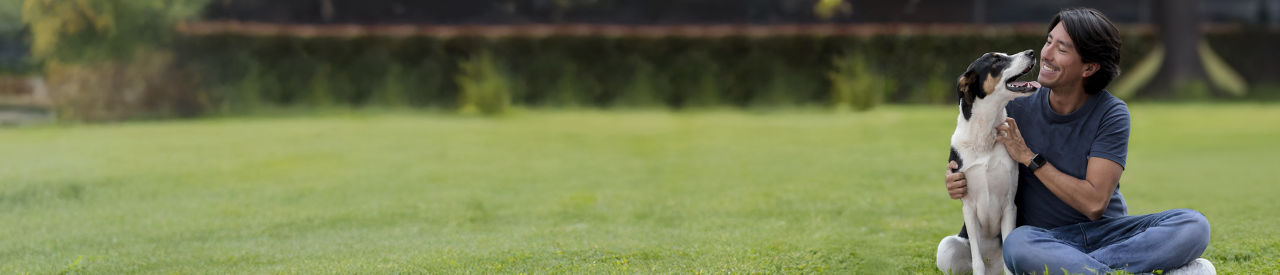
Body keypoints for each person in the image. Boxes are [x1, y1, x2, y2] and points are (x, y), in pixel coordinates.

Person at [935, 8, 1215, 274]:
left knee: (1193, 225)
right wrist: (957, 180)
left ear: (1089, 68)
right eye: (1048, 41)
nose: (1046, 54)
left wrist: (1029, 158)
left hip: (1109, 234)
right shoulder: (1014, 106)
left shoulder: (1111, 113)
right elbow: (974, 159)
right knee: (1018, 245)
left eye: (1062, 49)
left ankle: (1077, 269)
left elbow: (1094, 203)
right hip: (1044, 239)